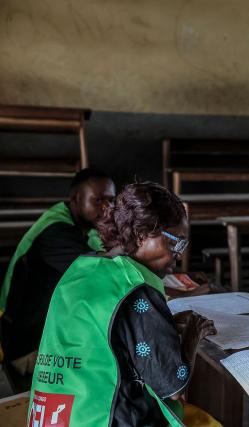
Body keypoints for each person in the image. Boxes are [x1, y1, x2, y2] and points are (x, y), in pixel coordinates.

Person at [27, 181, 218, 426]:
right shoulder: (136, 289)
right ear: (142, 235)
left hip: (52, 416)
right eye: (176, 242)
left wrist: (162, 325)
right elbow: (172, 386)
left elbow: (111, 333)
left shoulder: (81, 267)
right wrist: (192, 335)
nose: (179, 253)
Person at [0, 168, 116, 383]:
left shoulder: (77, 224)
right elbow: (103, 270)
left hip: (45, 333)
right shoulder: (56, 232)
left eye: (111, 200)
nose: (106, 208)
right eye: (98, 200)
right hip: (29, 346)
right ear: (75, 198)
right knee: (111, 367)